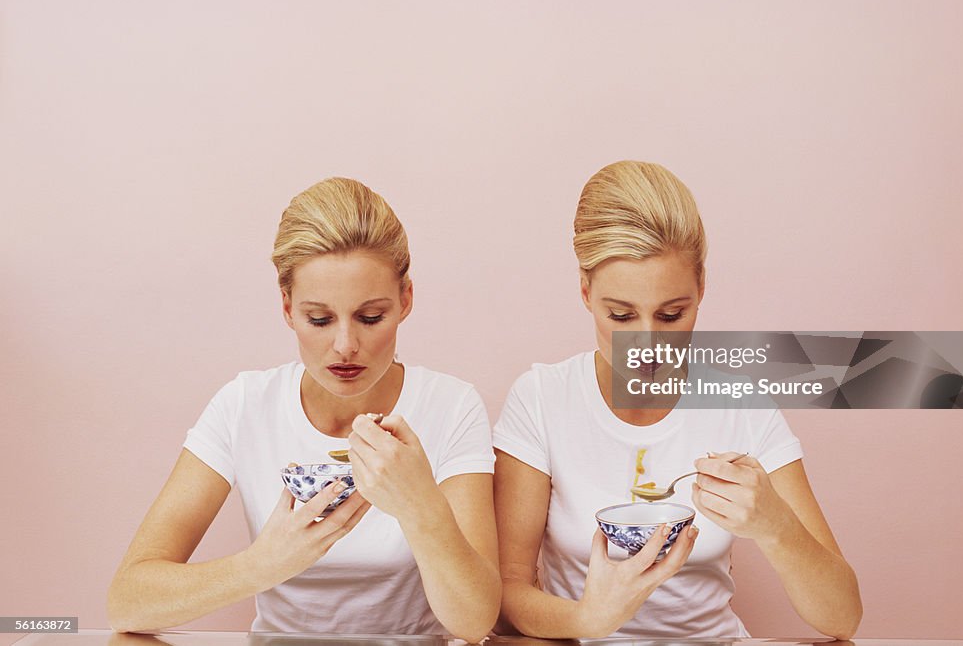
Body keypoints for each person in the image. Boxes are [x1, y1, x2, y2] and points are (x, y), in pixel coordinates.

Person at [108, 177, 500, 642]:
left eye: (370, 317)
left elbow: (476, 623)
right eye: (319, 319)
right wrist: (259, 566)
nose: (345, 345)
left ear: (405, 301)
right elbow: (126, 602)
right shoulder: (244, 405)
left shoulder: (451, 407)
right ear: (288, 308)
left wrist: (421, 508)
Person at [493, 160, 862, 639]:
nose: (647, 344)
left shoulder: (740, 405)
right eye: (621, 315)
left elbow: (842, 617)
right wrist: (589, 621)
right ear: (585, 292)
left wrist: (777, 528)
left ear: (701, 288)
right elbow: (505, 592)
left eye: (671, 315)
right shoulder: (542, 399)